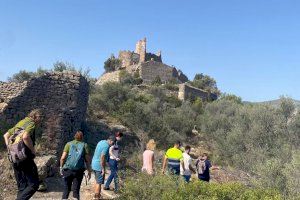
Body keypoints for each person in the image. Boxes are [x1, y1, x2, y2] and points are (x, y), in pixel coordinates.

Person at [3, 109, 42, 200]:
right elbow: (25, 137)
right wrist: (33, 150)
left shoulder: (21, 122)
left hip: (14, 157)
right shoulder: (31, 123)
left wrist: (10, 147)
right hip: (25, 157)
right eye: (40, 118)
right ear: (36, 117)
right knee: (34, 184)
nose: (40, 121)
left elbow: (6, 135)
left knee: (22, 186)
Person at [59, 130, 92, 200]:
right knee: (76, 190)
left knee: (66, 189)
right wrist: (89, 171)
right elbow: (87, 160)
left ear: (74, 136)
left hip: (67, 169)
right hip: (78, 171)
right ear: (82, 137)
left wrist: (61, 168)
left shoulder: (68, 144)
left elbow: (62, 158)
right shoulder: (84, 145)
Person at [91, 135, 115, 200]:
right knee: (99, 183)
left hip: (93, 163)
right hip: (99, 165)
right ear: (111, 141)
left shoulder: (101, 141)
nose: (112, 145)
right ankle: (97, 197)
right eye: (112, 143)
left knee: (97, 181)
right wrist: (103, 169)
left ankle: (96, 195)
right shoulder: (106, 146)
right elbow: (102, 157)